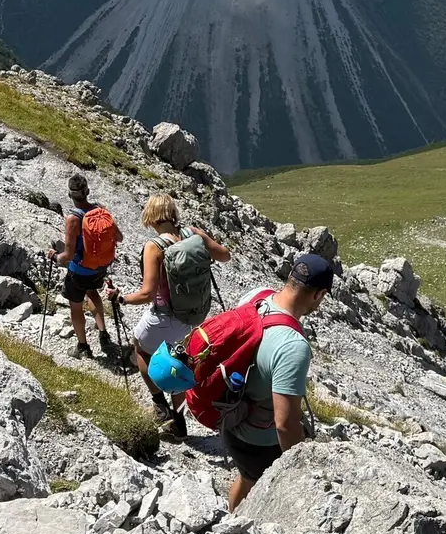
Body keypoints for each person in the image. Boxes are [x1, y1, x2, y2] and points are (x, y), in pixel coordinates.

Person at [223, 252, 333, 510]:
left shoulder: (257, 296)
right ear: (319, 295)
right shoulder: (293, 346)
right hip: (257, 439)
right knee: (261, 488)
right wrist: (299, 470)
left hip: (230, 416)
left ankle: (230, 519)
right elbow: (284, 425)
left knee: (247, 477)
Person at [119, 193, 230, 440]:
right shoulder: (193, 234)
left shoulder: (154, 247)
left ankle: (160, 405)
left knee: (140, 349)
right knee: (179, 365)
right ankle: (180, 423)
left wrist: (122, 298)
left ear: (151, 217)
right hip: (192, 317)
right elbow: (225, 255)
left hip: (164, 316)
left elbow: (148, 294)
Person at [49, 172, 119, 361]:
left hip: (79, 271)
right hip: (100, 267)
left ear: (70, 195)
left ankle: (83, 346)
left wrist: (55, 256)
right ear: (87, 191)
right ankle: (103, 334)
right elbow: (119, 237)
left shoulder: (74, 218)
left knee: (75, 306)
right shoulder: (100, 210)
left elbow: (68, 256)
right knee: (93, 293)